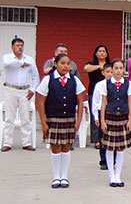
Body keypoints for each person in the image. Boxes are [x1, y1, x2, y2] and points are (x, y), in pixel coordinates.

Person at [36, 53, 85, 188]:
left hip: (69, 118)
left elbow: (80, 102)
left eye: (68, 63)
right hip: (53, 117)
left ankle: (64, 176)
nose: (66, 66)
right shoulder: (48, 79)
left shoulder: (74, 80)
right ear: (55, 64)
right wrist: (44, 123)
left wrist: (78, 122)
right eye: (62, 63)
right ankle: (56, 176)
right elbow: (41, 102)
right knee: (56, 147)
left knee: (66, 147)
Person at [100, 59, 131, 187]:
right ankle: (111, 175)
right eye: (116, 68)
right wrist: (102, 120)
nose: (119, 71)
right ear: (112, 70)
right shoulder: (106, 84)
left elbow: (130, 102)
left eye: (121, 68)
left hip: (123, 118)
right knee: (109, 147)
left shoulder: (128, 84)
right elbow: (104, 103)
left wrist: (130, 119)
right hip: (110, 117)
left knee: (121, 148)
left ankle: (118, 175)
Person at [2, 37, 40, 152]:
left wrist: (33, 90)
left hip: (25, 91)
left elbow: (35, 76)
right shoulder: (7, 58)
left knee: (25, 118)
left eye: (21, 45)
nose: (20, 47)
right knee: (9, 118)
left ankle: (27, 143)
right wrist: (20, 62)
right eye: (17, 45)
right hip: (10, 89)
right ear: (12, 47)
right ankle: (7, 143)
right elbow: (6, 64)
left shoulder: (30, 59)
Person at [84, 45, 111, 149]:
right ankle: (96, 140)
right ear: (96, 53)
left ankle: (106, 136)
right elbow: (86, 69)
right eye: (100, 51)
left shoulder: (110, 65)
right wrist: (100, 67)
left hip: (108, 92)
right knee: (94, 114)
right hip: (94, 92)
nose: (102, 53)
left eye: (104, 51)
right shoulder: (92, 64)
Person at [91, 63, 114, 170]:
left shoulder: (117, 85)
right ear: (103, 73)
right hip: (102, 113)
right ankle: (103, 160)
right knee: (103, 138)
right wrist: (96, 117)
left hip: (113, 113)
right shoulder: (99, 85)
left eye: (111, 72)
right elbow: (95, 101)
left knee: (114, 138)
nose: (110, 74)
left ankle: (113, 160)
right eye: (107, 72)